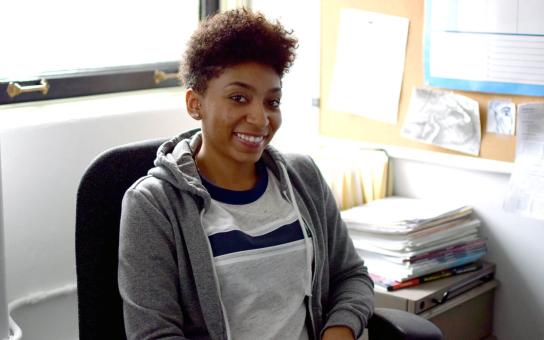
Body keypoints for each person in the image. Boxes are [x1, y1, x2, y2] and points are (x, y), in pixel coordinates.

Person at [118, 8, 374, 340]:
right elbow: (153, 334)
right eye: (239, 98)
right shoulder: (154, 205)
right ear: (195, 104)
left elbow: (352, 276)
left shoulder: (303, 178)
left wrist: (337, 333)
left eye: (272, 102)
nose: (260, 118)